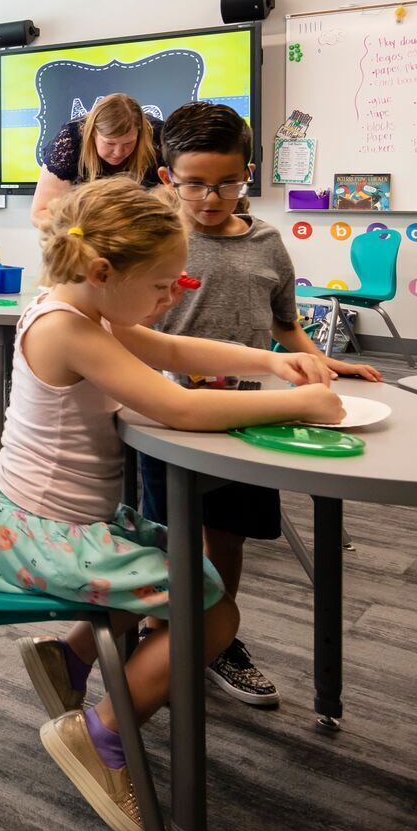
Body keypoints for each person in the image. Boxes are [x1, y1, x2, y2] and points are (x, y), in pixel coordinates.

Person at [0, 175, 340, 831]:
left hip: (30, 520)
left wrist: (275, 364)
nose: (172, 298)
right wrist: (298, 403)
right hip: (38, 536)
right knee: (213, 612)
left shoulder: (77, 305)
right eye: (165, 285)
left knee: (179, 563)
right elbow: (179, 404)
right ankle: (98, 733)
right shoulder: (70, 329)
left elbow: (171, 351)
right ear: (103, 270)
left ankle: (70, 660)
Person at [139, 101, 381, 708]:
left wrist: (322, 361)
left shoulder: (269, 243)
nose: (211, 197)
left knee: (230, 536)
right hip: (165, 414)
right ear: (168, 177)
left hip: (249, 417)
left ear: (249, 172)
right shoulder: (157, 241)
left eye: (228, 183)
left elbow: (285, 325)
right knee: (174, 537)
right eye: (194, 183)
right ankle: (165, 637)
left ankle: (219, 640)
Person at [29, 92, 166, 227]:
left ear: (140, 134)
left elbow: (176, 202)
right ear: (93, 133)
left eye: (128, 143)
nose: (118, 152)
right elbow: (40, 213)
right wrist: (90, 225)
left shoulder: (159, 140)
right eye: (110, 143)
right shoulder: (70, 141)